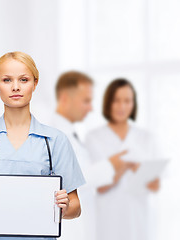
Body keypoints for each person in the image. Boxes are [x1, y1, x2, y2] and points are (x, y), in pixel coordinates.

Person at [0, 51, 85, 240]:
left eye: (24, 80)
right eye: (7, 80)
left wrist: (65, 206)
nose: (16, 87)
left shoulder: (56, 141)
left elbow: (75, 207)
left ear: (35, 83)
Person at [49, 71, 136, 240]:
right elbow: (79, 177)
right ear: (66, 99)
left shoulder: (70, 132)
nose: (91, 108)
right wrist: (114, 163)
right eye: (86, 101)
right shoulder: (54, 134)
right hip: (69, 229)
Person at [85, 78, 164, 240]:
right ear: (108, 103)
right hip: (108, 218)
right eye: (116, 101)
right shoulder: (94, 138)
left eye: (127, 101)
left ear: (133, 104)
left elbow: (155, 185)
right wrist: (126, 166)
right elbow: (100, 186)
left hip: (139, 216)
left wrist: (148, 178)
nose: (122, 106)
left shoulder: (146, 138)